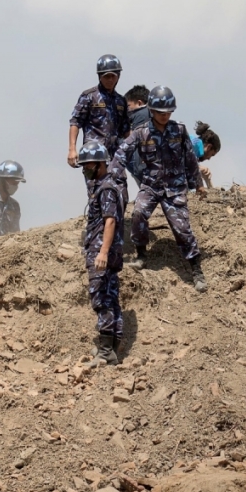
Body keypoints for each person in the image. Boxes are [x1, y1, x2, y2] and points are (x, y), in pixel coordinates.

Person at [112, 86, 207, 292]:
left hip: (175, 187)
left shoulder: (179, 131)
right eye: (160, 113)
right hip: (151, 186)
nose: (164, 116)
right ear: (152, 111)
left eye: (168, 113)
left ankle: (196, 269)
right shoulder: (141, 132)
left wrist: (198, 184)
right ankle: (141, 254)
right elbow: (122, 152)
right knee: (138, 212)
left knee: (181, 227)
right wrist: (113, 172)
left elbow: (190, 159)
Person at [77, 140, 126, 366]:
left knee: (101, 298)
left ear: (100, 164)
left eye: (88, 166)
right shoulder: (105, 185)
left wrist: (103, 252)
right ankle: (112, 349)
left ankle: (106, 351)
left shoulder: (106, 189)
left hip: (101, 250)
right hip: (107, 250)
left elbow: (109, 222)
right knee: (111, 296)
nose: (85, 170)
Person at [68, 55, 130, 188]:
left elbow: (126, 131)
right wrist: (72, 149)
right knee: (96, 194)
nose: (110, 80)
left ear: (118, 76)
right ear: (100, 76)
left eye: (113, 76)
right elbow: (75, 122)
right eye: (106, 76)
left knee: (120, 191)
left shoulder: (121, 101)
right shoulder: (89, 96)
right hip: (93, 156)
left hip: (114, 156)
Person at [123, 85, 151, 186]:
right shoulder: (149, 112)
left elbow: (136, 136)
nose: (127, 109)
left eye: (129, 105)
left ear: (139, 103)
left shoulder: (141, 114)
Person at [190, 121, 221, 188]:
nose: (209, 158)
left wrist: (207, 180)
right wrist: (197, 167)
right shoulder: (193, 144)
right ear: (209, 147)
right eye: (212, 154)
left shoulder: (195, 151)